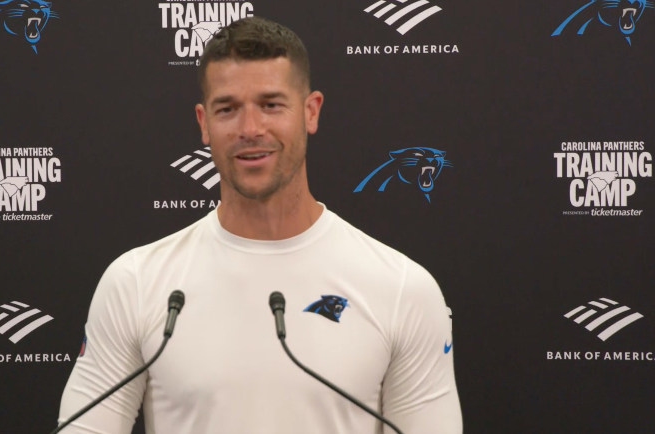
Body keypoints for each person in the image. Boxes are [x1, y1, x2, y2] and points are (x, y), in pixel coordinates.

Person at [58, 16, 462, 434]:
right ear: (203, 123)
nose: (250, 129)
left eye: (271, 105)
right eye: (228, 109)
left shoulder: (401, 289)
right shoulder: (136, 283)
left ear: (310, 111)